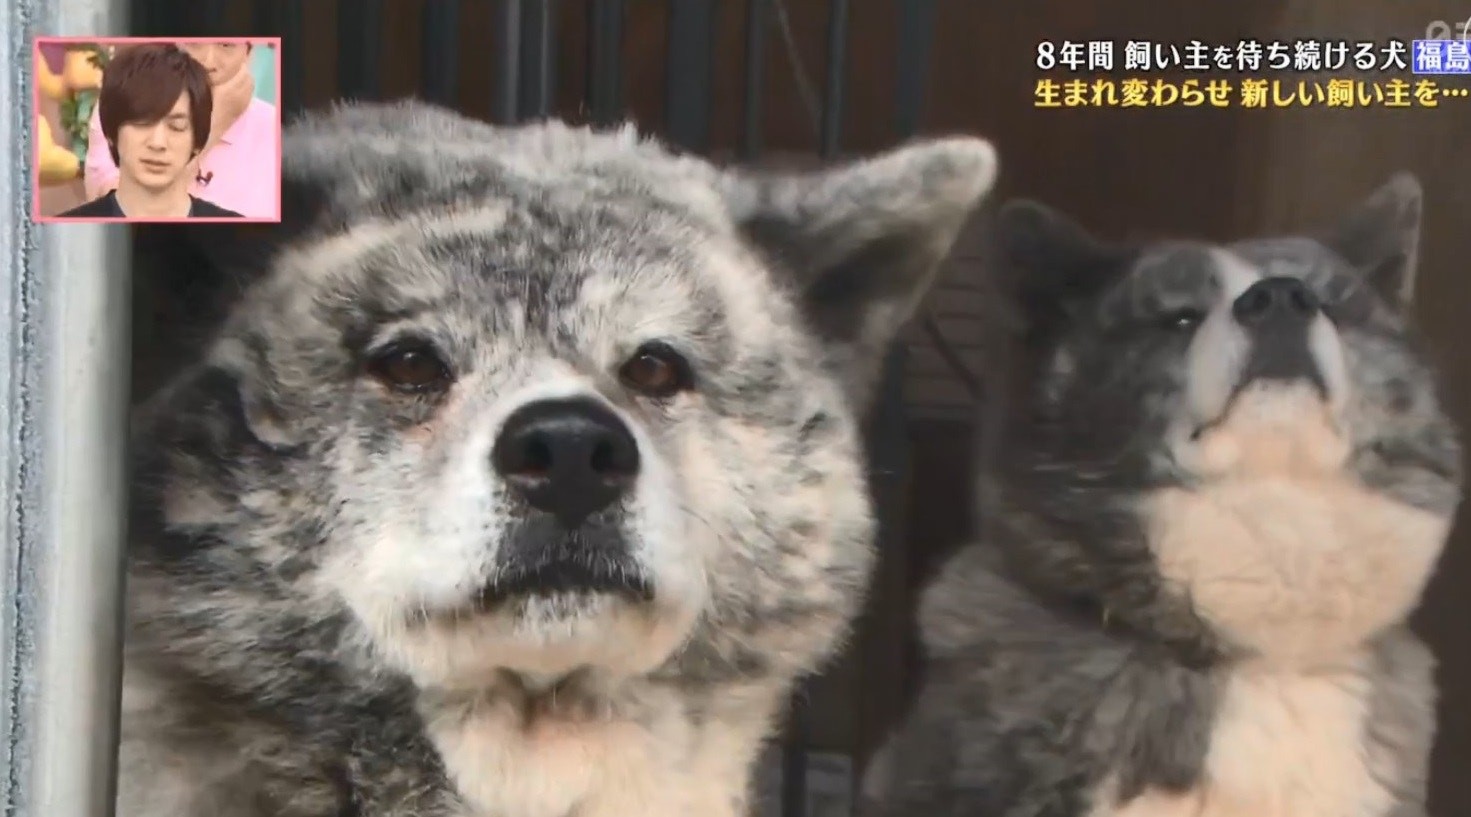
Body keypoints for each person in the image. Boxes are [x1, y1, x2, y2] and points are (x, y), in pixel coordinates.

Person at [81, 40, 276, 218]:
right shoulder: (126, 105)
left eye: (226, 45)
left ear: (248, 53)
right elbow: (122, 212)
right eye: (195, 43)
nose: (208, 61)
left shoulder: (275, 128)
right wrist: (215, 122)